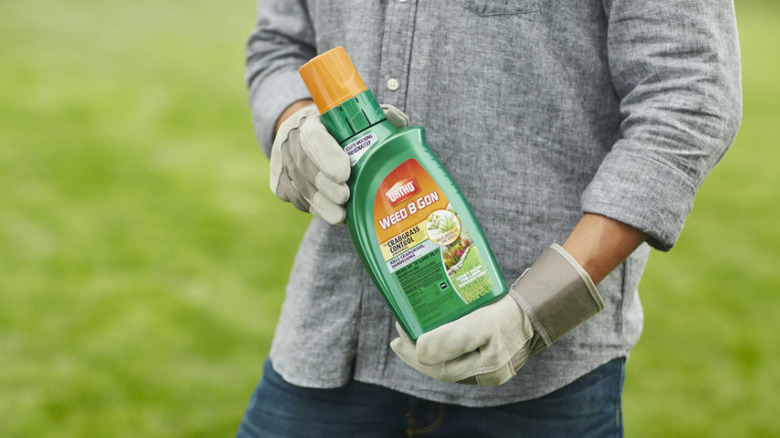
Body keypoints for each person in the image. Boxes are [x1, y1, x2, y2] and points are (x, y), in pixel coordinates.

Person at [237, 1, 742, 437]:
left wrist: (538, 309)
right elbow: (280, 43)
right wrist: (294, 121)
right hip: (329, 342)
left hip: (540, 388)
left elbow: (688, 96)